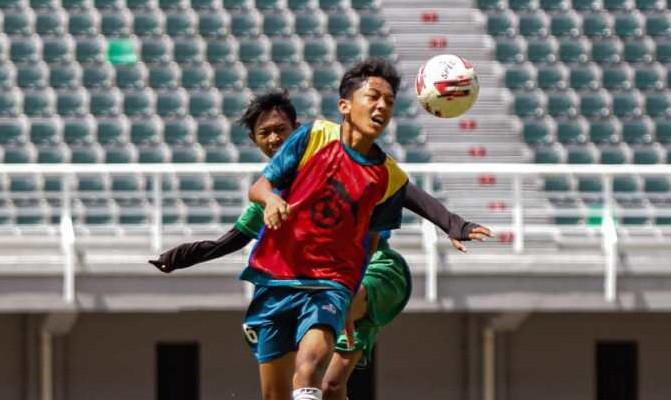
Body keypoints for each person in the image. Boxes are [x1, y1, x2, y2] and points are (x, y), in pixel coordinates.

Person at [150, 61, 491, 400]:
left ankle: (344, 310)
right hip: (295, 280)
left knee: (314, 366)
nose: (274, 139)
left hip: (373, 270)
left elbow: (405, 195)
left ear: (295, 130)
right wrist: (181, 257)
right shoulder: (275, 192)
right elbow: (230, 239)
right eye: (264, 134)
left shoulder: (334, 149)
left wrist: (453, 224)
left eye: (280, 130)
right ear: (255, 142)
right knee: (325, 387)